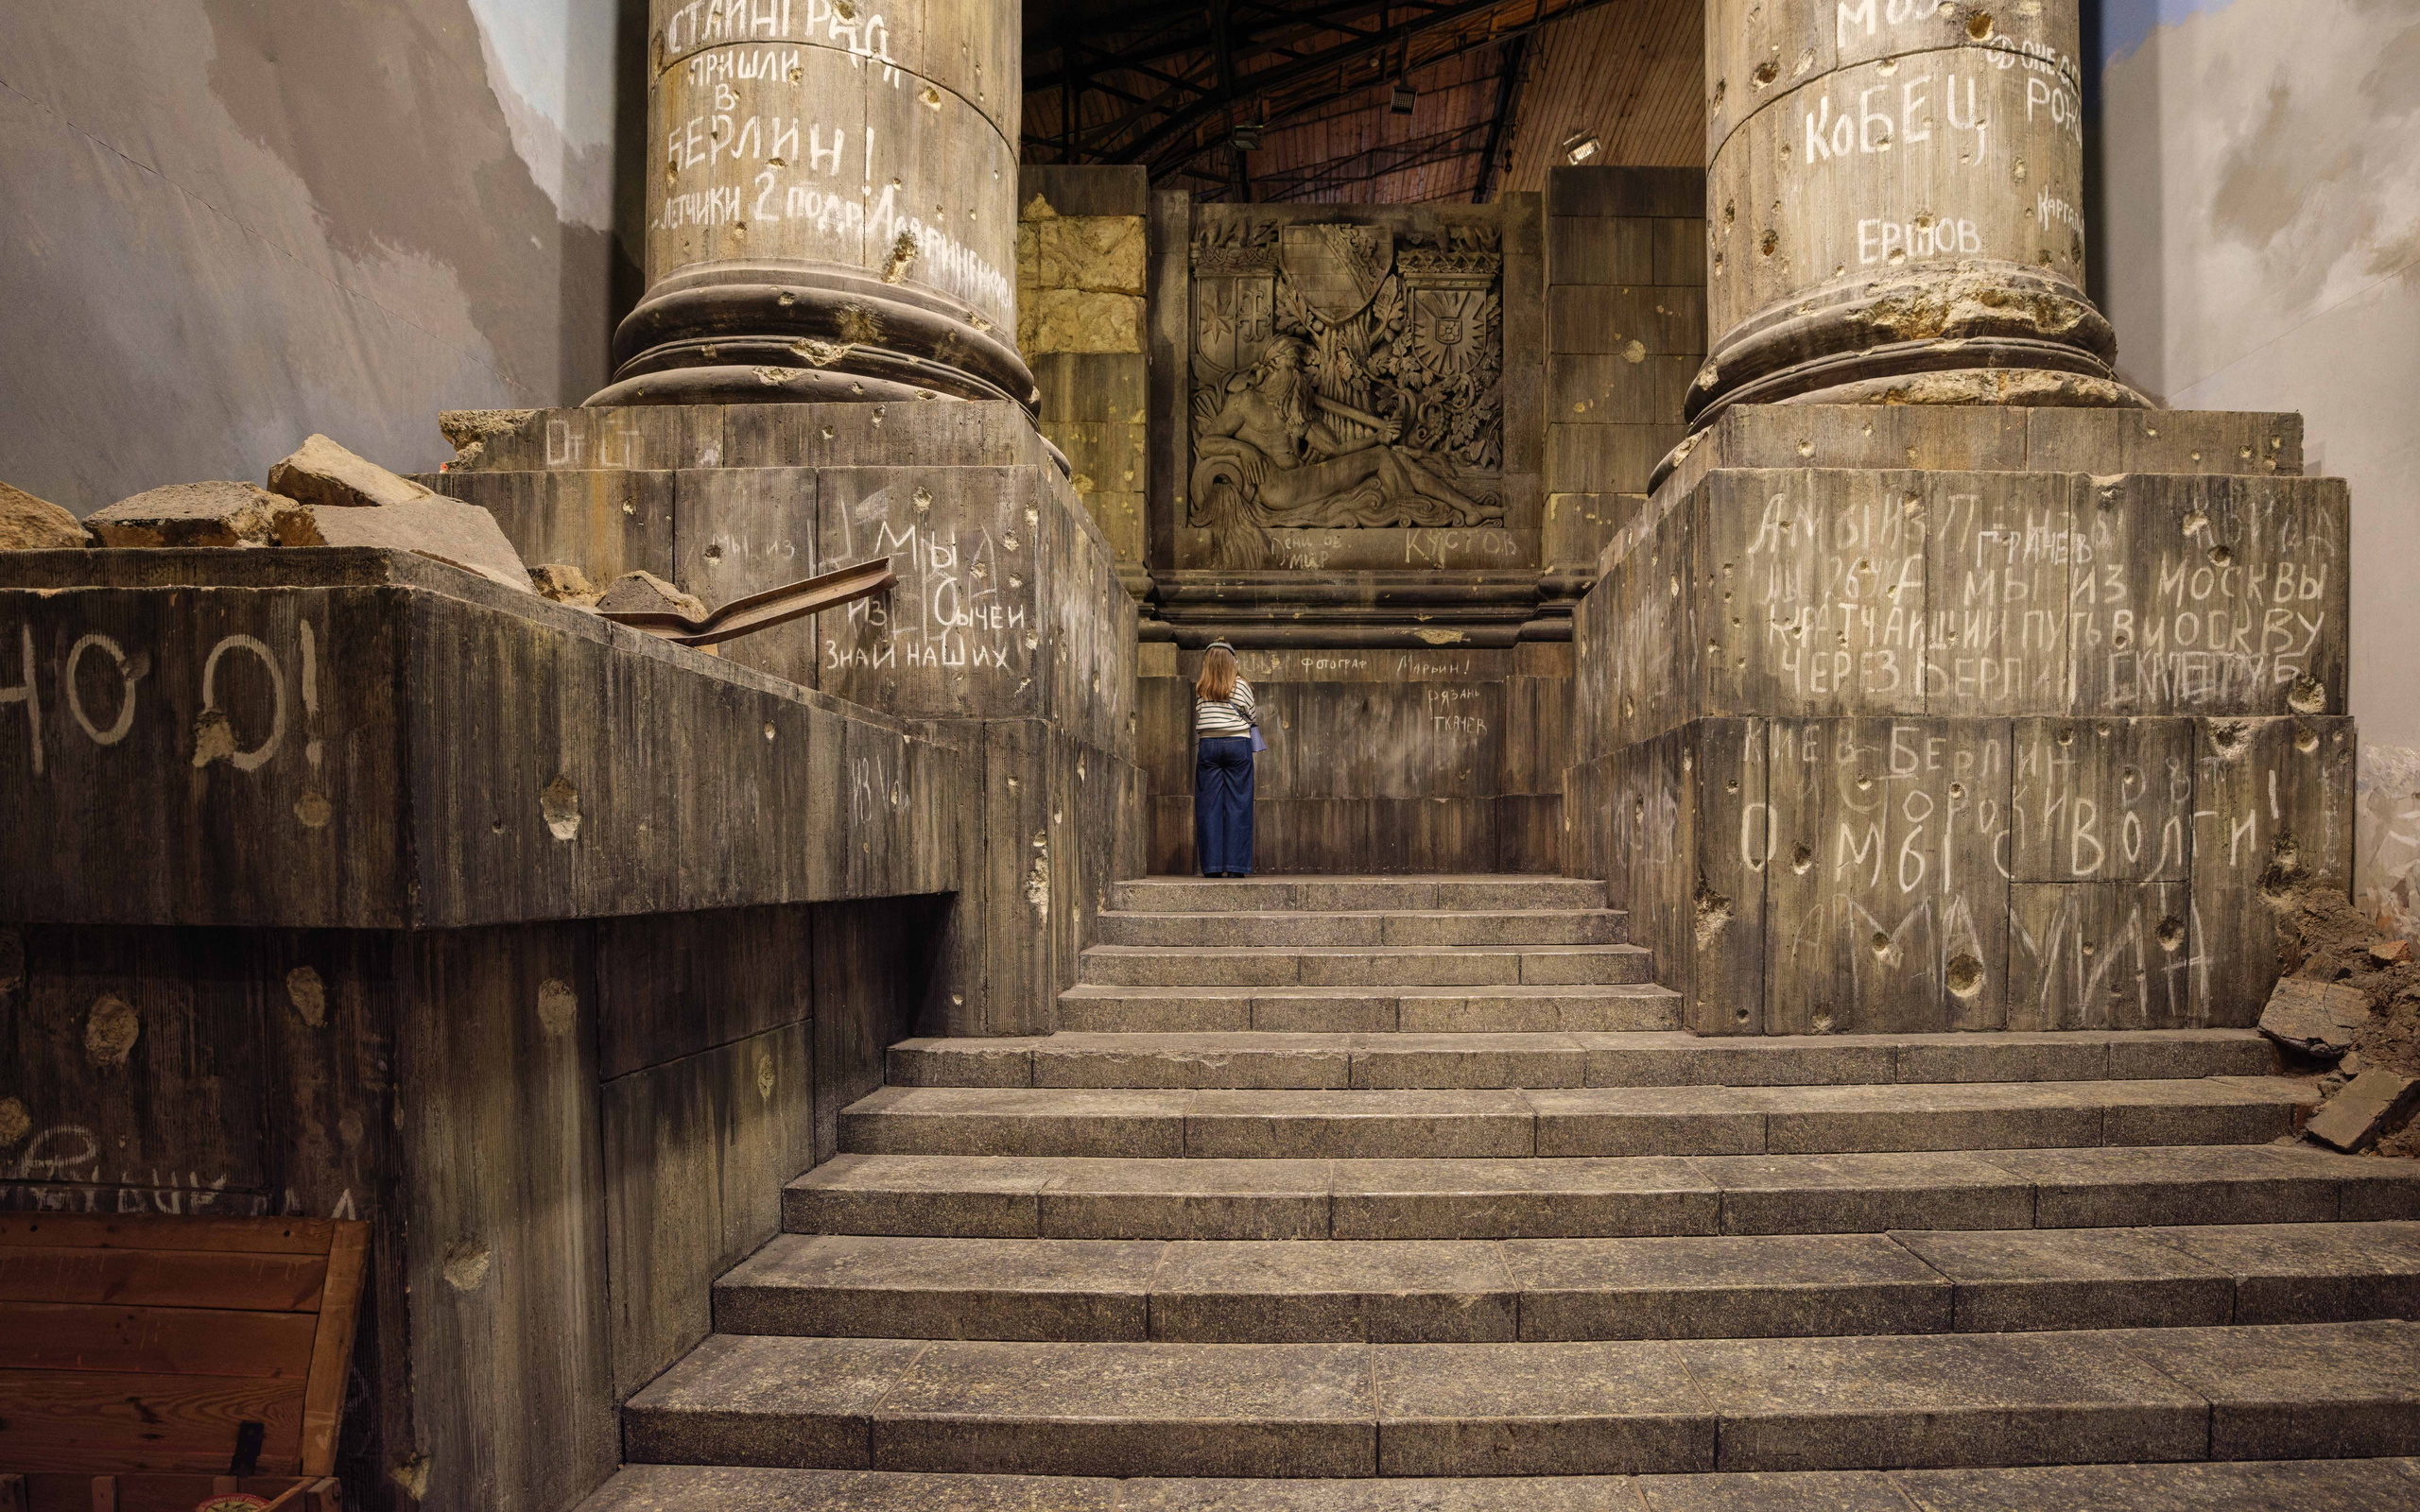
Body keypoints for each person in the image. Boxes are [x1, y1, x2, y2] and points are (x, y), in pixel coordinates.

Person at [1192, 640, 1257, 877]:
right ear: (1233, 662)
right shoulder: (1242, 686)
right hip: (1238, 744)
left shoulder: (1202, 688)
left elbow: (1201, 713)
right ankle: (1236, 867)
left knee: (1208, 806)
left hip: (1209, 746)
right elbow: (1252, 715)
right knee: (1239, 804)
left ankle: (1212, 867)